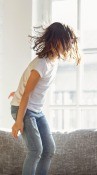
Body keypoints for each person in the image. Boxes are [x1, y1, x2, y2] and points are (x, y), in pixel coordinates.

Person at [9, 22, 81, 175]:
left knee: (49, 149)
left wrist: (17, 91)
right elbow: (27, 94)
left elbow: (30, 86)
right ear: (55, 41)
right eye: (66, 42)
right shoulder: (41, 64)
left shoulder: (53, 61)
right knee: (35, 150)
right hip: (24, 108)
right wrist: (18, 121)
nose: (68, 45)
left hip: (35, 110)